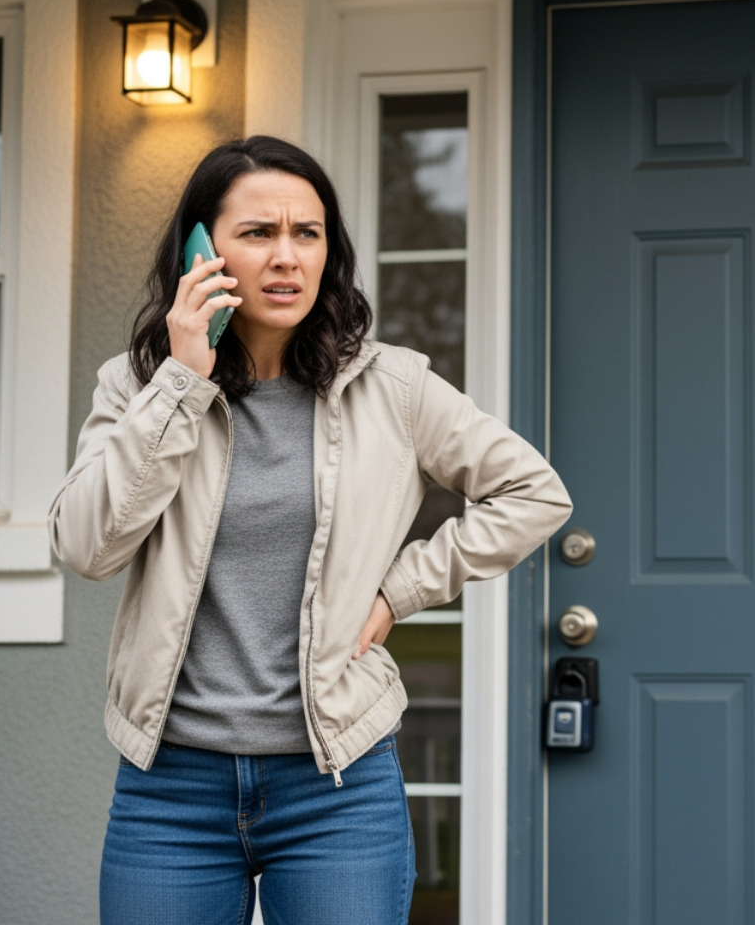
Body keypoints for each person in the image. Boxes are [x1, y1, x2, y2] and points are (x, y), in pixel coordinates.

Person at [49, 135, 572, 925]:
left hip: (337, 789)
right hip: (171, 791)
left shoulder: (390, 385)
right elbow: (86, 546)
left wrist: (400, 591)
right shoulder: (137, 387)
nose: (287, 256)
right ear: (202, 251)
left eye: (308, 233)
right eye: (258, 233)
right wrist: (182, 379)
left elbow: (534, 492)